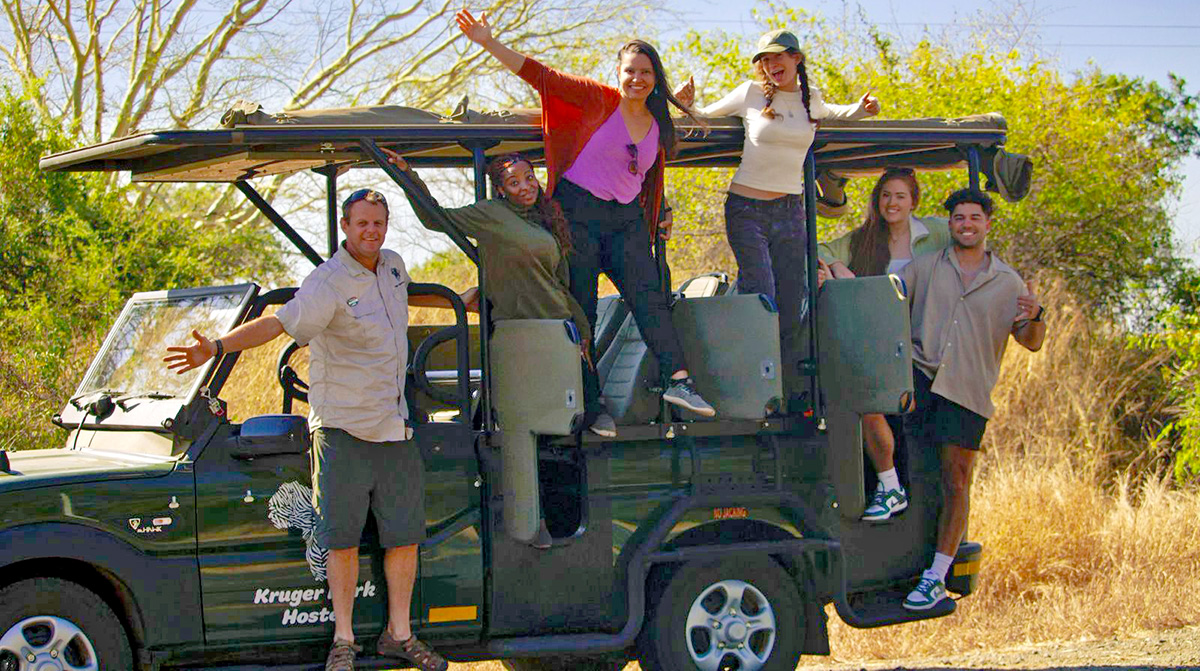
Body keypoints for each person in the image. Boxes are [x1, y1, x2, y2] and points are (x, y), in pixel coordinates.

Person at [163, 189, 449, 671]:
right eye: (361, 223)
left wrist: (463, 301)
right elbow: (278, 323)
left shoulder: (394, 264)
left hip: (394, 428)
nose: (371, 231)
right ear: (345, 225)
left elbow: (409, 291)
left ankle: (399, 634)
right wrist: (215, 346)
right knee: (341, 538)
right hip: (342, 429)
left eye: (378, 223)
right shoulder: (328, 281)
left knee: (403, 537)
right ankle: (342, 642)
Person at [455, 9, 716, 418]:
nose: (637, 79)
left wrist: (659, 211)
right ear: (618, 73)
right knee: (583, 308)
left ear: (655, 77)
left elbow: (645, 177)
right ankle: (591, 404)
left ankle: (678, 381)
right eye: (630, 71)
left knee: (650, 299)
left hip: (625, 220)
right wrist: (488, 41)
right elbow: (542, 77)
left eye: (645, 72)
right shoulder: (598, 99)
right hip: (578, 214)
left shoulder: (658, 122)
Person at [680, 28, 880, 404]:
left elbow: (840, 113)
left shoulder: (810, 100)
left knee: (791, 303)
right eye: (765, 61)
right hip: (747, 209)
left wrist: (863, 108)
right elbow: (703, 117)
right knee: (762, 293)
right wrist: (685, 103)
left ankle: (784, 389)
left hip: (790, 210)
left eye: (779, 58)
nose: (773, 66)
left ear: (796, 59)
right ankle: (745, 380)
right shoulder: (750, 94)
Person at [382, 147, 616, 439]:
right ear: (501, 189)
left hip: (558, 327)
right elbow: (435, 218)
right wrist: (407, 175)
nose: (525, 187)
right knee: (530, 420)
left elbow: (558, 284)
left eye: (529, 178)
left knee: (567, 417)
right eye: (514, 182)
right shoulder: (491, 214)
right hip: (520, 330)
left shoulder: (545, 216)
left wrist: (580, 326)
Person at [898, 188, 1046, 610]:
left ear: (987, 224)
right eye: (959, 218)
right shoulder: (924, 267)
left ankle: (936, 576)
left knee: (956, 481)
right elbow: (884, 299)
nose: (966, 225)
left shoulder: (1009, 282)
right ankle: (896, 567)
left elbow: (1030, 342)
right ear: (951, 224)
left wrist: (1036, 315)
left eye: (974, 218)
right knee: (912, 474)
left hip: (967, 391)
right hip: (919, 380)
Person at [816, 168, 952, 522]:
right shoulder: (864, 239)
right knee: (866, 402)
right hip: (882, 341)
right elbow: (818, 246)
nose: (892, 203)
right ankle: (889, 487)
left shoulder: (934, 232)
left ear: (914, 202)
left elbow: (970, 244)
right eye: (886, 195)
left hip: (925, 344)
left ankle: (897, 492)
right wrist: (836, 266)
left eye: (900, 196)